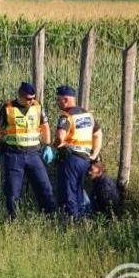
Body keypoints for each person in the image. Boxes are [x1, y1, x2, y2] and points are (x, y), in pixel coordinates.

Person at [0, 82, 56, 219]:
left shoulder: (37, 107)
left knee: (44, 186)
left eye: (33, 98)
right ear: (20, 96)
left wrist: (48, 145)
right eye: (28, 98)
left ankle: (49, 217)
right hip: (14, 155)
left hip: (34, 154)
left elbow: (45, 126)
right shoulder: (8, 108)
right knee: (13, 191)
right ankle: (13, 219)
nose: (31, 101)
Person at [53, 85, 103, 220]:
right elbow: (98, 134)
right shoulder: (87, 114)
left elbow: (60, 136)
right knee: (79, 191)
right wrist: (93, 154)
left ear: (65, 100)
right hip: (85, 160)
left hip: (71, 159)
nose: (57, 103)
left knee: (69, 193)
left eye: (58, 100)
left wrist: (55, 145)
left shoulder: (66, 115)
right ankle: (83, 219)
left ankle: (72, 223)